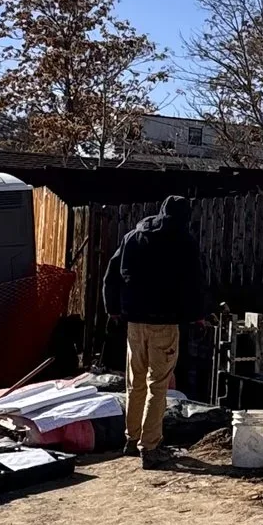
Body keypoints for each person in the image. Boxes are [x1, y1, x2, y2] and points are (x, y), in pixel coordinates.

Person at [100, 194, 207, 469]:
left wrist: (113, 309)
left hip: (134, 323)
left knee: (134, 382)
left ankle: (131, 438)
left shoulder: (133, 237)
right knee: (157, 385)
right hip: (165, 323)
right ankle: (150, 447)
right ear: (185, 217)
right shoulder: (184, 242)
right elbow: (193, 283)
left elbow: (111, 275)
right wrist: (197, 316)